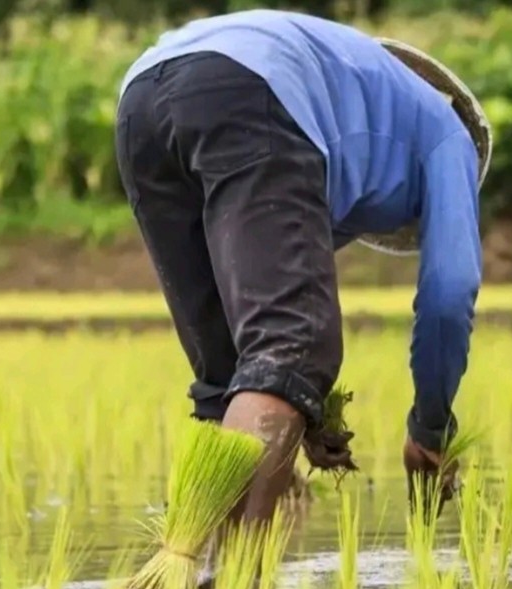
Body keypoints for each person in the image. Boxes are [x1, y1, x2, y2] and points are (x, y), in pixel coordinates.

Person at [115, 9, 490, 547]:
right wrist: (430, 429)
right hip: (251, 90)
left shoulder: (351, 102)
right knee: (288, 353)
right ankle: (236, 584)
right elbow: (450, 292)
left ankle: (185, 571)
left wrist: (307, 409)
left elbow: (263, 291)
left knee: (231, 377)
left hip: (141, 102)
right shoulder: (448, 133)